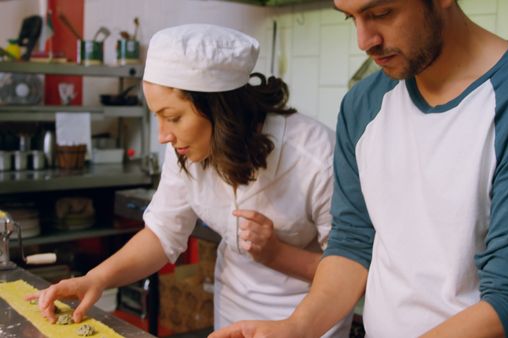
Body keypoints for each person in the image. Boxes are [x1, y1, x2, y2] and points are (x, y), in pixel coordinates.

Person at [210, 0, 508, 337]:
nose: (364, 40)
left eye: (381, 13)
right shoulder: (363, 105)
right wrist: (296, 328)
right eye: (351, 18)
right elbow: (353, 244)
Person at [29, 24, 352, 337]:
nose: (162, 135)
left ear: (219, 108)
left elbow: (350, 269)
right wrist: (96, 279)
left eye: (173, 117)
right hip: (231, 318)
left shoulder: (315, 157)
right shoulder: (186, 148)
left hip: (308, 325)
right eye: (158, 116)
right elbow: (162, 234)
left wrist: (276, 254)